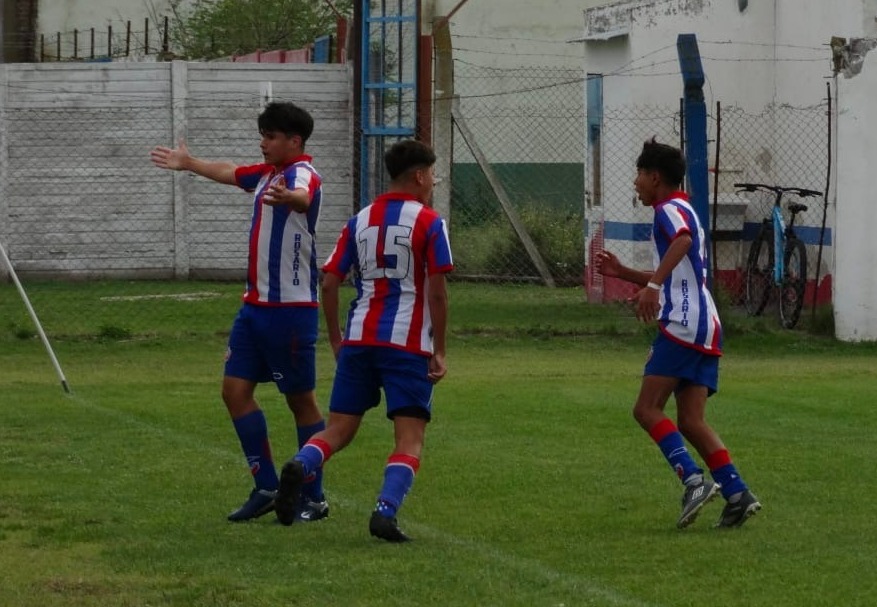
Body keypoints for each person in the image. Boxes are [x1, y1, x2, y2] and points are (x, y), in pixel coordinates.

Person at [150, 101, 329, 523]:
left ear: (294, 141)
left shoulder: (300, 174)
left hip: (290, 311)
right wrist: (189, 162)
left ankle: (314, 497)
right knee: (234, 391)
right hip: (253, 309)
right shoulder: (267, 174)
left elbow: (305, 195)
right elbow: (232, 172)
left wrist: (293, 199)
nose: (263, 143)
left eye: (270, 136)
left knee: (300, 401)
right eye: (262, 135)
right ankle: (266, 485)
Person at [273, 139, 453, 542]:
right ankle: (385, 513)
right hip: (406, 344)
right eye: (434, 174)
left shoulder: (359, 220)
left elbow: (331, 281)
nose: (435, 182)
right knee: (410, 437)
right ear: (420, 176)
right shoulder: (429, 222)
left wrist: (337, 339)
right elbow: (437, 292)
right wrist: (440, 349)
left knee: (338, 429)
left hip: (358, 340)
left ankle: (302, 465)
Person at [595, 138, 760, 529]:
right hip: (706, 323)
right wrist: (627, 274)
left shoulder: (668, 209)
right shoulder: (682, 207)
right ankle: (737, 493)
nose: (636, 183)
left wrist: (652, 288)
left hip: (684, 324)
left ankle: (693, 479)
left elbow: (682, 241)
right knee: (690, 420)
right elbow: (679, 270)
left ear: (655, 177)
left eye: (638, 175)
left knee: (646, 409)